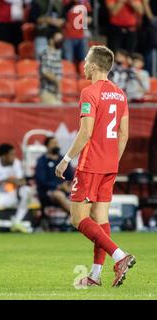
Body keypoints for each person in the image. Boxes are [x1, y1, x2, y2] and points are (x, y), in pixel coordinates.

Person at [55, 45, 135, 288]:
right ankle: (95, 275)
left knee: (77, 218)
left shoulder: (89, 92)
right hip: (110, 164)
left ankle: (119, 256)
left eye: (85, 60)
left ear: (92, 66)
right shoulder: (120, 94)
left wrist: (66, 158)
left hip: (90, 164)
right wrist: (113, 161)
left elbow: (86, 132)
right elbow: (124, 135)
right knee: (100, 218)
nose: (83, 64)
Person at [0, 143, 32, 234]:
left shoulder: (16, 163)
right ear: (3, 156)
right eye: (11, 154)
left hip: (11, 196)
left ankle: (17, 222)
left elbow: (23, 182)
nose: (14, 157)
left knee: (26, 190)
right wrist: (5, 180)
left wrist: (14, 181)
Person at [35, 136, 73, 214]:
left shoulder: (63, 160)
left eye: (57, 143)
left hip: (65, 190)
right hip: (48, 192)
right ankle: (77, 218)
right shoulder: (42, 161)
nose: (56, 145)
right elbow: (41, 181)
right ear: (47, 146)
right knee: (58, 195)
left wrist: (67, 185)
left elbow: (70, 177)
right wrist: (58, 186)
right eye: (53, 143)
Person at [39, 30, 63, 104]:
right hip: (47, 92)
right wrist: (57, 83)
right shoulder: (46, 52)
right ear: (51, 40)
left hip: (55, 92)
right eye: (58, 39)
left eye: (61, 39)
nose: (60, 41)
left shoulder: (58, 52)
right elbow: (45, 71)